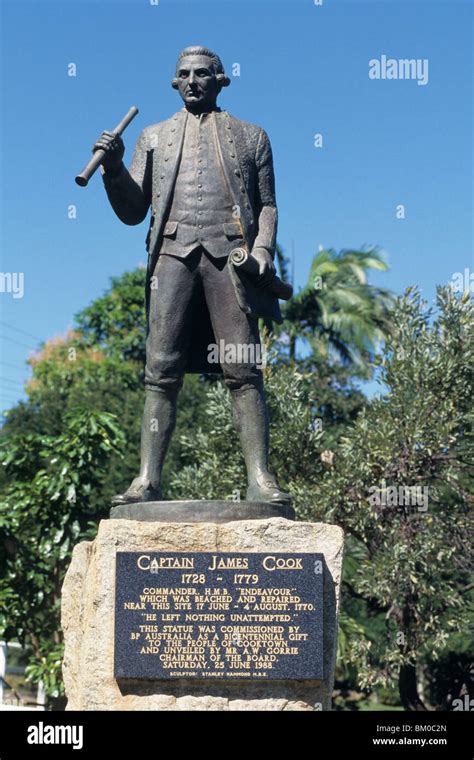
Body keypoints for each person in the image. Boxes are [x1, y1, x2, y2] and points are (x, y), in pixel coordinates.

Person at [94, 45, 291, 506]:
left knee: (243, 369)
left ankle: (259, 478)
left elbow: (268, 206)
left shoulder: (251, 136)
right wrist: (113, 167)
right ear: (174, 82)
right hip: (171, 257)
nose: (193, 80)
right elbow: (131, 210)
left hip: (230, 258)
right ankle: (147, 478)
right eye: (184, 74)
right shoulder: (152, 137)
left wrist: (262, 249)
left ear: (221, 79)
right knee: (160, 371)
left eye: (203, 73)